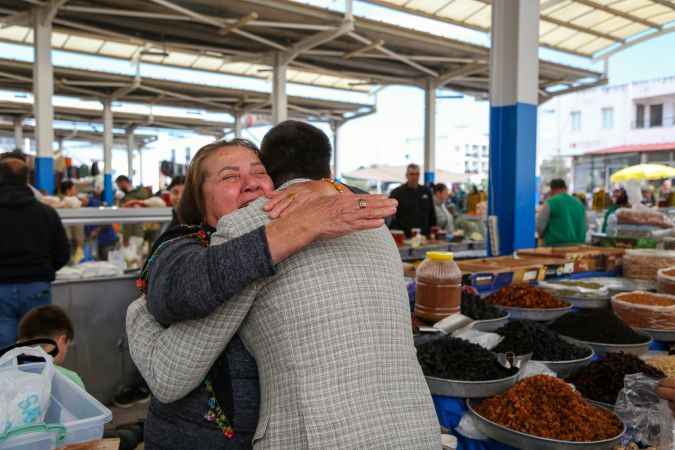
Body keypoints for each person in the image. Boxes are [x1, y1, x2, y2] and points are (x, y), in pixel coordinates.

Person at [126, 136, 400, 449]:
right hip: (190, 439)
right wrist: (297, 227)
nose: (250, 185)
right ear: (200, 200)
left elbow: (379, 210)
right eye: (229, 177)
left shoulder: (297, 228)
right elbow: (179, 292)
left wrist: (325, 187)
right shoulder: (180, 246)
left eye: (259, 173)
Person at [0, 158, 70, 348]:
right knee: (37, 347)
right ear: (27, 179)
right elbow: (63, 253)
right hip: (37, 286)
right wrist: (42, 269)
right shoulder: (46, 213)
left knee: (4, 351)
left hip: (1, 290)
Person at [17, 304, 84, 389]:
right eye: (67, 346)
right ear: (62, 340)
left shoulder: (8, 374)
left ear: (19, 343)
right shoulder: (70, 379)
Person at [389, 163, 436, 237]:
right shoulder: (397, 193)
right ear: (406, 175)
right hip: (404, 236)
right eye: (412, 174)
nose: (415, 177)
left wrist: (433, 233)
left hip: (424, 237)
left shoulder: (426, 191)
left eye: (417, 174)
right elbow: (390, 216)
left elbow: (432, 214)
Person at [536, 179, 587, 246]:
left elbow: (540, 226)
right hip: (578, 247)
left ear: (552, 189)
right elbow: (585, 225)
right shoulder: (579, 203)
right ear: (565, 188)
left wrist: (541, 236)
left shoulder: (550, 202)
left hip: (556, 248)